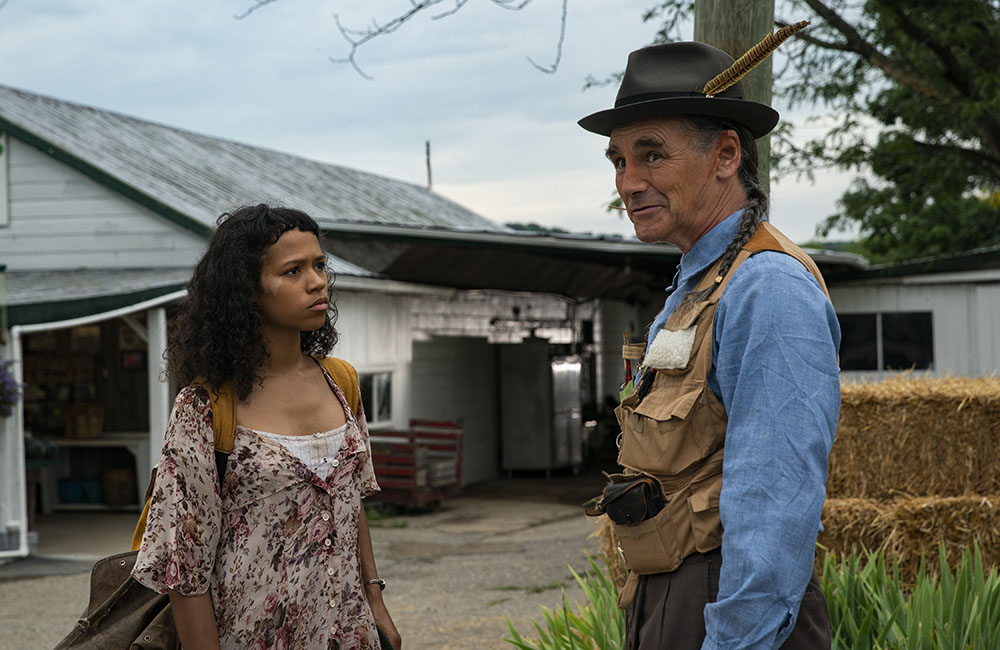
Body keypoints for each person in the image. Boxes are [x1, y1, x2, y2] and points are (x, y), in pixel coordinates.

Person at [579, 41, 840, 649]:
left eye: (652, 155)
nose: (629, 181)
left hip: (728, 608)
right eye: (618, 160)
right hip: (675, 596)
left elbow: (774, 505)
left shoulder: (766, 287)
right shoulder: (697, 286)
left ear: (726, 154)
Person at [132, 205, 401, 650]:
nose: (317, 282)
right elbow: (184, 570)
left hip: (349, 635)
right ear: (246, 292)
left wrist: (375, 599)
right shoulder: (205, 407)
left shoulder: (342, 383)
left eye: (318, 266)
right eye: (292, 271)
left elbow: (349, 503)